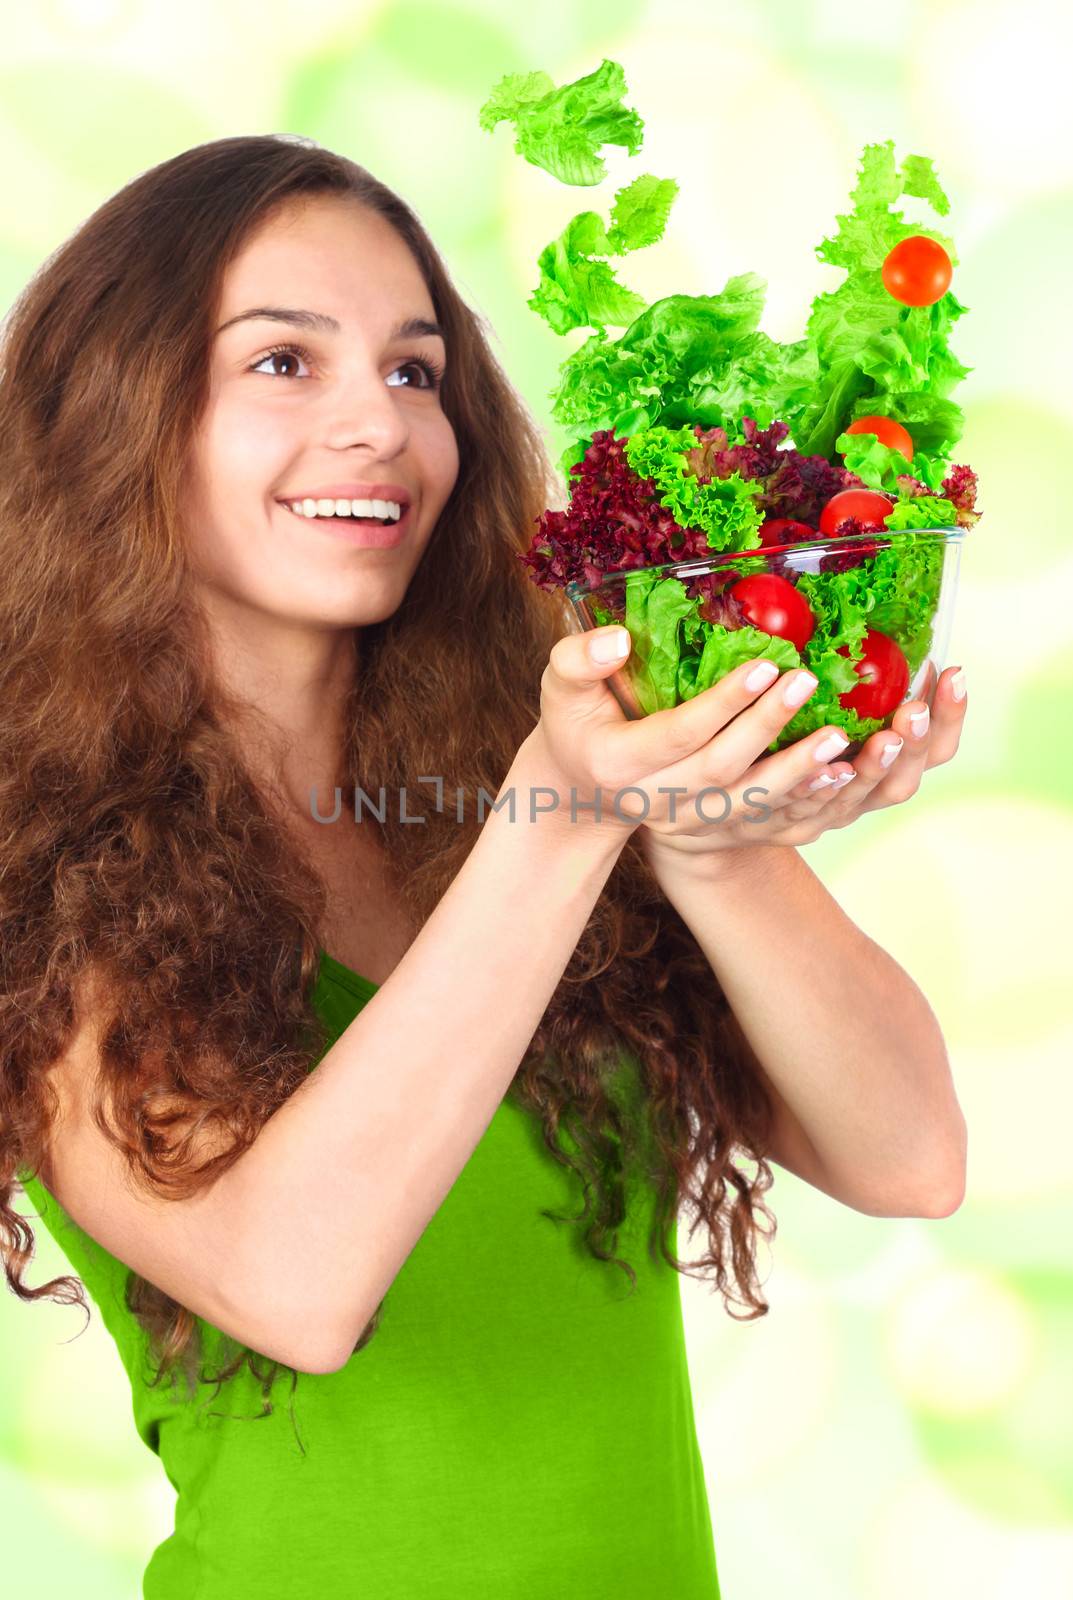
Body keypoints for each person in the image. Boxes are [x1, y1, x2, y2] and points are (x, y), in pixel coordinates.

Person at [1, 135, 968, 1599]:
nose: (378, 430)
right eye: (281, 364)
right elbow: (292, 1285)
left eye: (413, 371)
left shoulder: (509, 782)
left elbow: (907, 1155)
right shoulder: (44, 870)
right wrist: (568, 815)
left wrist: (698, 838)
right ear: (110, 422)